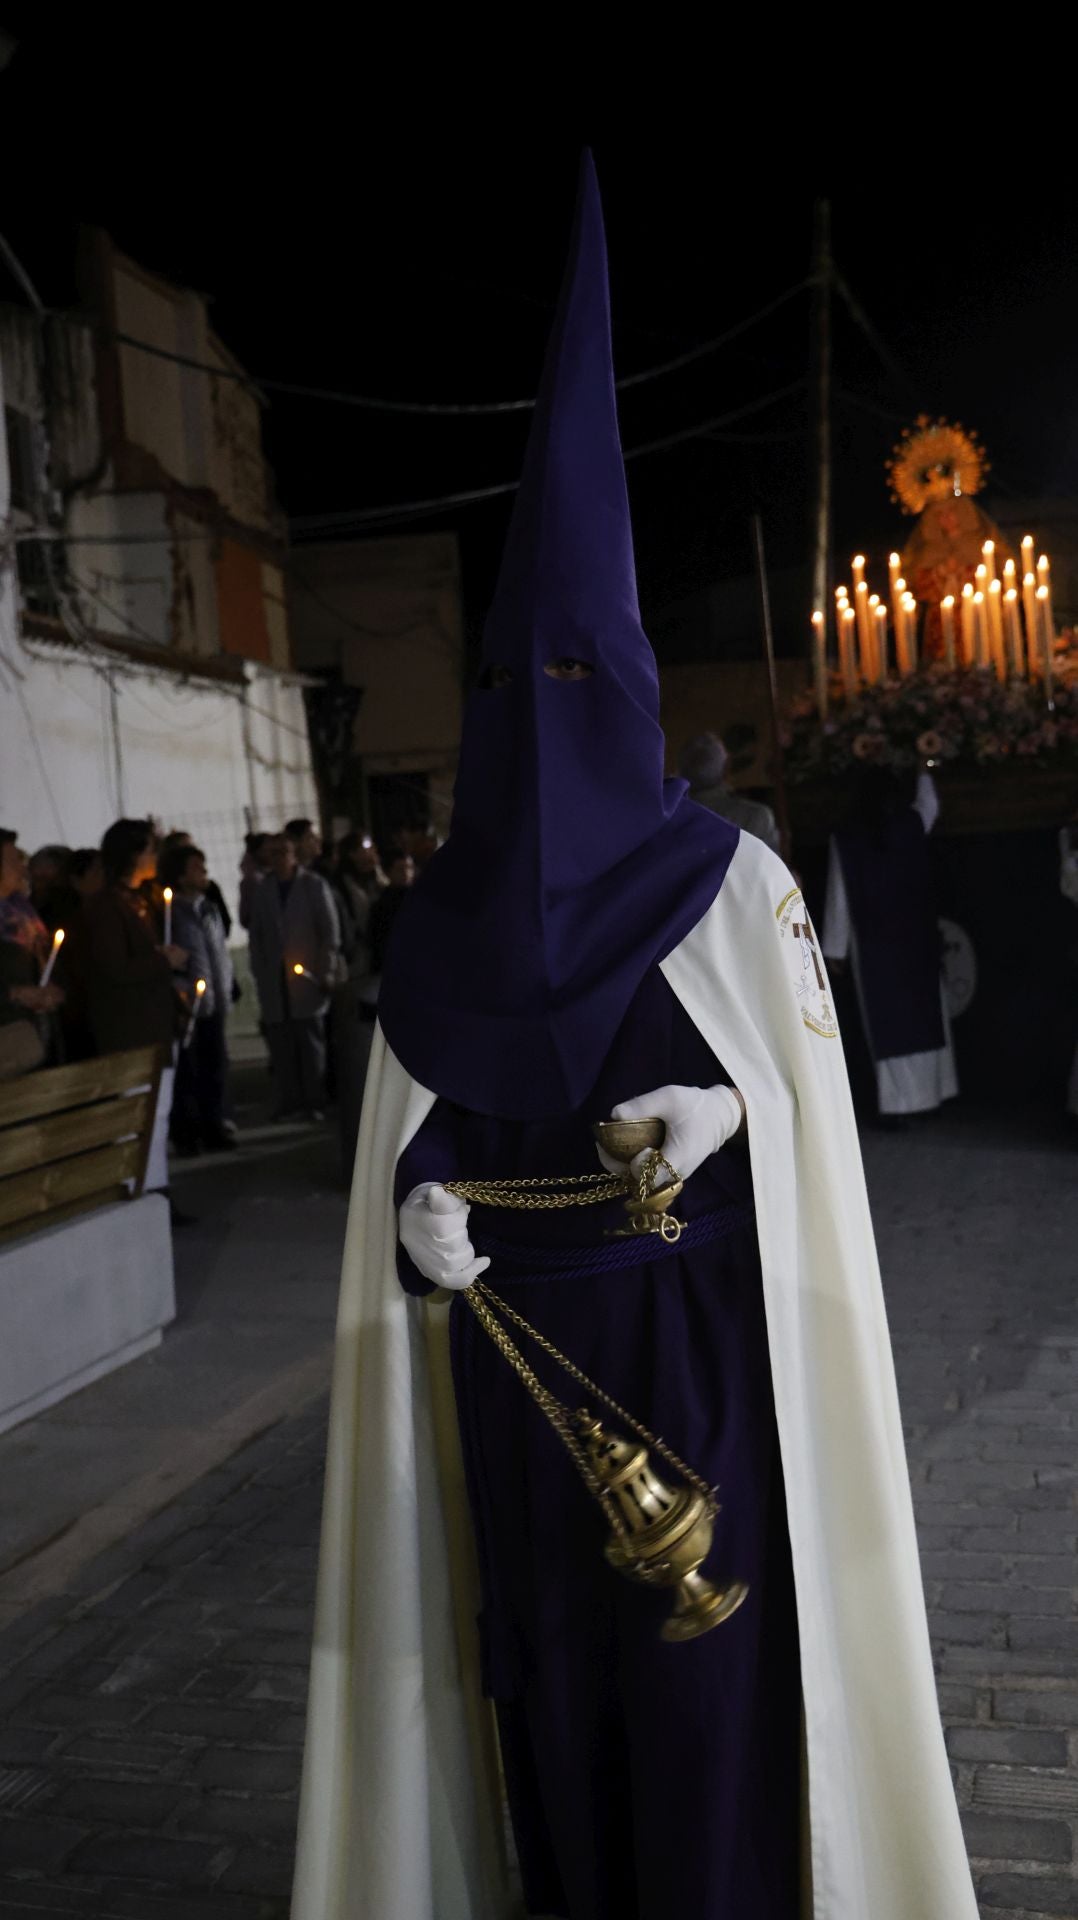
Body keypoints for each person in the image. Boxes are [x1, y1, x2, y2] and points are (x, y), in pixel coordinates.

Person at [290, 158, 978, 1920]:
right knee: (556, 1706)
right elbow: (418, 1137)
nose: (551, 722)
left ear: (637, 690)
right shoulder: (432, 922)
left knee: (708, 1710)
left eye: (580, 681)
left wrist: (737, 1111)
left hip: (704, 1361)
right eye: (521, 686)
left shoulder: (727, 885)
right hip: (514, 1387)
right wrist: (420, 1221)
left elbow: (805, 1131)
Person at [822, 765, 958, 1122]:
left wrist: (835, 948)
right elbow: (930, 805)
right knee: (924, 1017)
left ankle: (897, 1106)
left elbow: (840, 897)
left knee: (886, 1025)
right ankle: (931, 1096)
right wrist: (923, 766)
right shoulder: (911, 824)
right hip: (914, 940)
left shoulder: (847, 837)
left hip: (873, 947)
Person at [85, 819, 188, 1192]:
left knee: (157, 1117)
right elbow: (115, 968)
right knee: (139, 1117)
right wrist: (163, 961)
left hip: (154, 1027)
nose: (155, 857)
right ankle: (143, 1190)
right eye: (149, 849)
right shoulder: (107, 908)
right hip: (132, 1032)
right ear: (132, 855)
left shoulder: (138, 900)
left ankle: (156, 1188)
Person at [247, 832, 341, 1122]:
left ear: (294, 854)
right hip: (275, 980)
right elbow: (257, 934)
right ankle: (288, 1100)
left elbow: (329, 932)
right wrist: (261, 972)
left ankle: (315, 1100)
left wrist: (325, 969)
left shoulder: (312, 885)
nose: (278, 859)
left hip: (306, 976)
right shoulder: (264, 890)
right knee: (282, 1043)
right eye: (273, 854)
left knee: (310, 1042)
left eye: (283, 852)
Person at [159, 841, 236, 1154]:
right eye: (195, 868)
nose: (203, 872)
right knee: (187, 1073)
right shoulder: (171, 912)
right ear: (179, 877)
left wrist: (225, 986)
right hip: (189, 1004)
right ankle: (187, 1132)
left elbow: (218, 951)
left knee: (214, 1067)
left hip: (214, 1001)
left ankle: (213, 1125)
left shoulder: (209, 906)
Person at [0, 830, 63, 1078]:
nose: (22, 867)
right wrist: (15, 994)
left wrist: (55, 989)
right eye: (15, 859)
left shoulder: (25, 913)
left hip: (40, 1038)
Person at [677, 730, 782, 853]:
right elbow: (772, 870)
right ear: (727, 768)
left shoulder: (665, 822)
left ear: (679, 771)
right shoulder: (756, 818)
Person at [366, 851, 414, 977]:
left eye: (408, 868)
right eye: (400, 869)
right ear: (388, 872)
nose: (406, 873)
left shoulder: (419, 900)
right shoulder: (382, 905)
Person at [238, 831, 273, 932]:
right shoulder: (253, 881)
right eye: (269, 849)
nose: (274, 853)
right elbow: (245, 918)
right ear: (259, 851)